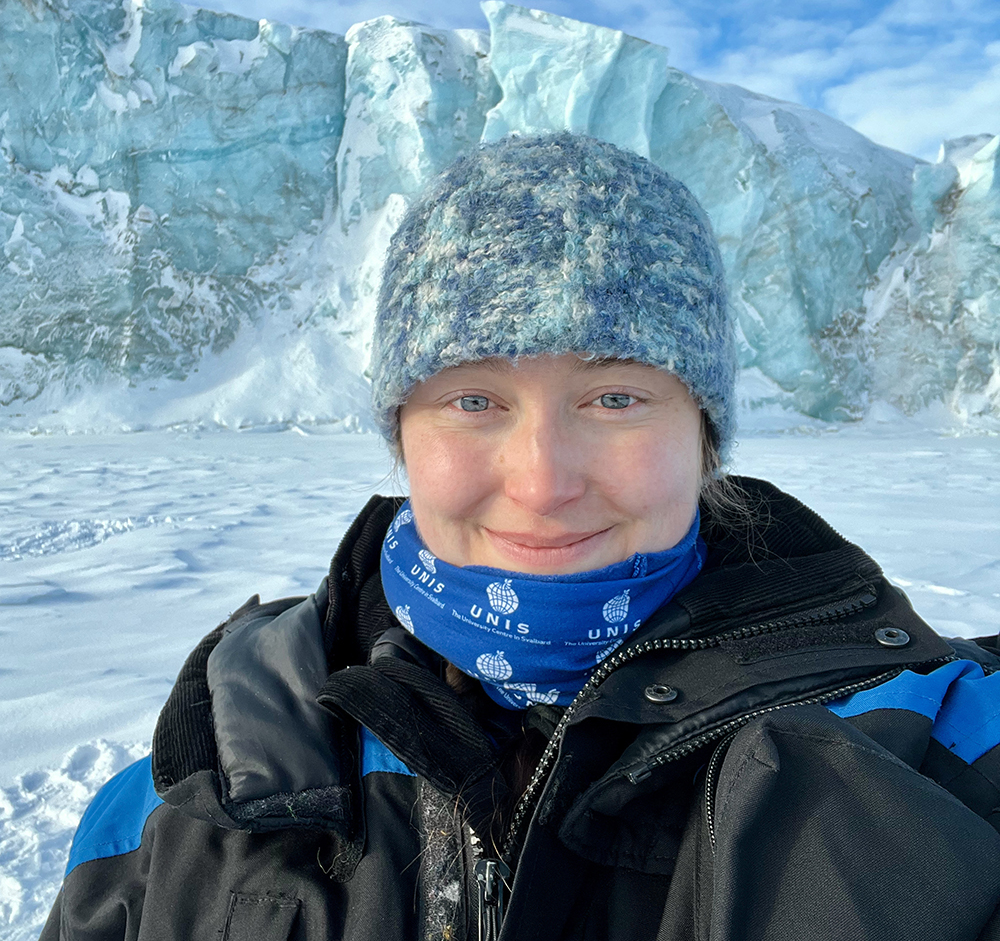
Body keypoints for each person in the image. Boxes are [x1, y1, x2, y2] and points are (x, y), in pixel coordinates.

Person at [43, 133, 1000, 941]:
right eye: (473, 400)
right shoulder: (182, 807)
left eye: (615, 397)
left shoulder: (935, 752)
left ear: (702, 436)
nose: (543, 480)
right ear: (402, 438)